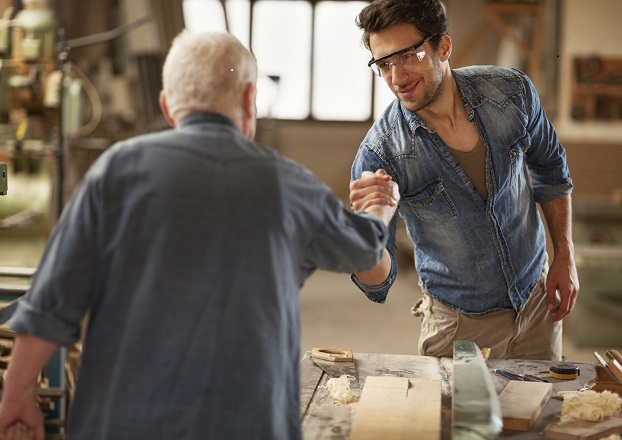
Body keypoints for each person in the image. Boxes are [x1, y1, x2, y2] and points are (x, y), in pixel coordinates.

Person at [0, 31, 399, 440]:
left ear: (167, 107)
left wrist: (16, 396)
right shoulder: (289, 185)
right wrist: (378, 208)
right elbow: (364, 251)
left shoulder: (115, 171)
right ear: (248, 100)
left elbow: (50, 303)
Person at [348, 0, 579, 361]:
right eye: (384, 64)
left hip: (538, 307)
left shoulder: (512, 93)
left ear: (443, 47)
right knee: (463, 420)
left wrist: (565, 254)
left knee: (541, 413)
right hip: (459, 328)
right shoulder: (381, 155)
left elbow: (550, 169)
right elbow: (378, 283)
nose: (397, 78)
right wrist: (367, 233)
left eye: (409, 56)